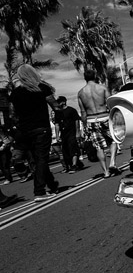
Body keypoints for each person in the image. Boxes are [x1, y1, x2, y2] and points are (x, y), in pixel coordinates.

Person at [8, 64, 61, 201]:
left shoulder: (15, 93)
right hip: (41, 128)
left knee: (38, 159)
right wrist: (58, 117)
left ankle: (52, 184)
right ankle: (39, 191)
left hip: (25, 131)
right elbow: (55, 106)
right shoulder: (41, 88)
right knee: (42, 159)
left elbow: (12, 114)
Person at [78, 69, 119, 179]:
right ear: (95, 76)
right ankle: (112, 163)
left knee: (98, 147)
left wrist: (84, 126)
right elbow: (111, 104)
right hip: (104, 116)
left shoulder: (81, 93)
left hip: (91, 120)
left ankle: (105, 172)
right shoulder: (102, 88)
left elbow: (83, 112)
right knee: (113, 140)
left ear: (85, 78)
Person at [54, 96, 84, 173]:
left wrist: (78, 133)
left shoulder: (71, 110)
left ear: (64, 102)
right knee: (65, 151)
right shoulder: (58, 113)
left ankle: (74, 166)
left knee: (73, 149)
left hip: (72, 133)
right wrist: (57, 136)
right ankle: (75, 164)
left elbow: (76, 121)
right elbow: (57, 125)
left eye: (59, 102)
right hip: (63, 134)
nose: (58, 103)